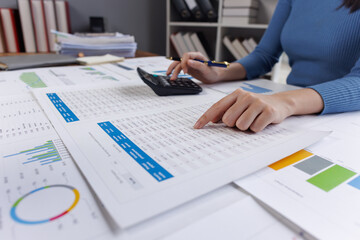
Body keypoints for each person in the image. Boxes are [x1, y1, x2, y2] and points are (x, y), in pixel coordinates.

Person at [166, 0, 360, 132]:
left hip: (341, 117)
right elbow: (264, 56)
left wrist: (284, 102)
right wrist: (217, 73)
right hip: (291, 110)